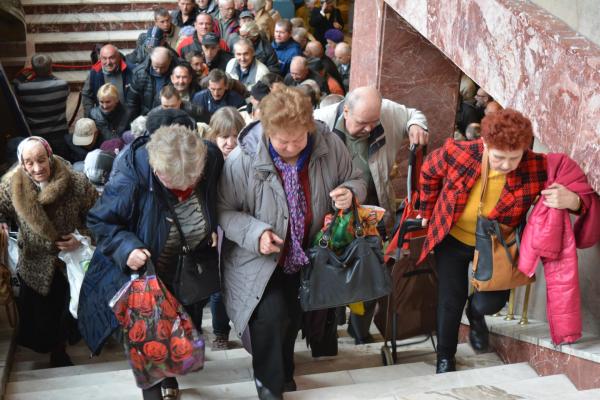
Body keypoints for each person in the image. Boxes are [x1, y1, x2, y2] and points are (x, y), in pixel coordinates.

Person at [217, 87, 366, 400]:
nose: (290, 147)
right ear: (268, 131)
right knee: (270, 316)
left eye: (298, 140)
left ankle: (284, 371)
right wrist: (255, 232)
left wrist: (351, 193)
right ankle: (270, 387)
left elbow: (356, 178)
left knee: (292, 316)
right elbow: (224, 210)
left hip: (309, 254)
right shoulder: (243, 158)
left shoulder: (330, 145)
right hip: (260, 258)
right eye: (281, 141)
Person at [417, 108, 583, 373]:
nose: (506, 164)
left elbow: (579, 190)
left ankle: (475, 313)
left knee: (490, 302)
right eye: (498, 157)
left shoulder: (537, 166)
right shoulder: (459, 152)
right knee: (450, 298)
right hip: (453, 236)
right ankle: (445, 358)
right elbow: (428, 171)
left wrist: (573, 201)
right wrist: (425, 210)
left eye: (513, 158)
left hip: (496, 244)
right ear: (484, 143)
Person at [85, 124, 224, 399]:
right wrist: (127, 248)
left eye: (191, 182)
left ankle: (170, 375)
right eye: (175, 185)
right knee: (147, 335)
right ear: (157, 171)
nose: (184, 190)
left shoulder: (211, 157)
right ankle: (154, 389)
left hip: (189, 264)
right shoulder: (131, 173)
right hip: (147, 270)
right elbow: (99, 221)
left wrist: (213, 227)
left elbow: (217, 199)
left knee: (181, 325)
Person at [314, 86, 428, 344]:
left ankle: (360, 329)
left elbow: (413, 114)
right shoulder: (321, 121)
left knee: (373, 271)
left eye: (374, 122)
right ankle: (326, 332)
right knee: (330, 270)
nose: (369, 128)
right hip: (330, 211)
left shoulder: (386, 112)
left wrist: (416, 126)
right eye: (363, 122)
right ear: (345, 111)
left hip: (373, 208)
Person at [0, 137, 98, 367]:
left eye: (41, 160)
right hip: (34, 261)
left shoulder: (75, 181)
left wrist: (81, 237)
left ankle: (60, 350)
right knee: (41, 316)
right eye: (29, 163)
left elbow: (99, 215)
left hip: (68, 262)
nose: (37, 168)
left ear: (50, 155)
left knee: (65, 312)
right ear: (22, 164)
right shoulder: (11, 184)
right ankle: (51, 347)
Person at [13, 54, 70, 160]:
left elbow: (13, 85)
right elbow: (60, 84)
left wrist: (23, 76)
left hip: (35, 137)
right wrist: (49, 73)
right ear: (51, 67)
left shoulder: (23, 89)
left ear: (33, 69)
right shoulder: (62, 85)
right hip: (60, 137)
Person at [82, 44, 133, 117]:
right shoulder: (94, 73)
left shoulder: (131, 71)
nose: (108, 62)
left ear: (118, 57)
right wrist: (89, 117)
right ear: (100, 58)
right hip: (104, 117)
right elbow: (87, 95)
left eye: (111, 58)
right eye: (104, 58)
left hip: (127, 117)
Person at [126, 47, 177, 117]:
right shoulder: (140, 73)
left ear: (170, 61)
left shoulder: (177, 73)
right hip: (146, 115)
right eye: (155, 67)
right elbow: (132, 102)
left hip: (170, 114)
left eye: (163, 67)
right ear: (151, 60)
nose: (159, 70)